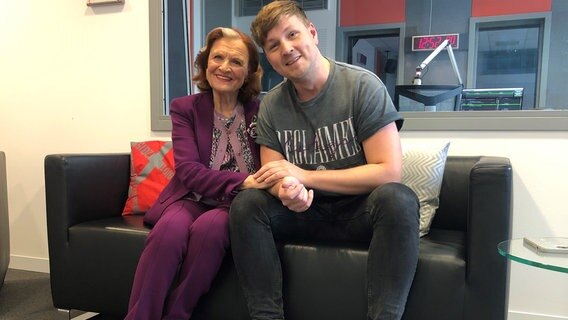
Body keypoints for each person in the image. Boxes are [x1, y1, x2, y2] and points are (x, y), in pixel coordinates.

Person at [229, 1, 420, 320]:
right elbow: (272, 176)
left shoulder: (362, 86)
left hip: (359, 211)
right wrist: (288, 189)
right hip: (303, 213)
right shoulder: (272, 106)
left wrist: (302, 175)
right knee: (247, 204)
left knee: (398, 199)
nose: (286, 49)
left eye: (292, 34)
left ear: (313, 33)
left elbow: (389, 172)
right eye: (274, 46)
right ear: (270, 58)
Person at [125, 27, 270, 320]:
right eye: (218, 57)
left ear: (250, 71)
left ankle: (176, 315)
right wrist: (244, 180)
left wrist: (250, 186)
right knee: (169, 230)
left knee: (210, 230)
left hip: (236, 204)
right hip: (190, 197)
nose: (225, 67)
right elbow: (189, 171)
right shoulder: (185, 108)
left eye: (237, 61)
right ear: (205, 64)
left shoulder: (263, 110)